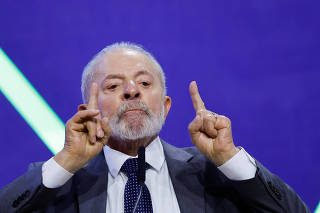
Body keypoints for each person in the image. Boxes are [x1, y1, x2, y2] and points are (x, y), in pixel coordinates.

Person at [0, 42, 310, 213]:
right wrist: (67, 162)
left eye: (145, 83)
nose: (132, 91)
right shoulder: (58, 184)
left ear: (165, 106)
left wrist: (230, 158)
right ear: (88, 111)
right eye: (113, 86)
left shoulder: (213, 174)